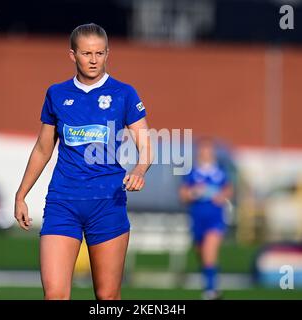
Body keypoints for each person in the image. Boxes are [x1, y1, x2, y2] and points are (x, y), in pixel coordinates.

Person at [14, 23, 153, 300]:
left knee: (107, 297)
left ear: (107, 53)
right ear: (72, 55)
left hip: (107, 203)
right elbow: (43, 149)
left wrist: (139, 169)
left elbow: (146, 145)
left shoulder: (124, 94)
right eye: (87, 53)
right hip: (62, 202)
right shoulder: (57, 94)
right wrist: (21, 194)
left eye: (100, 53)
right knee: (54, 295)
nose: (93, 60)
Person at [179, 137, 233, 300]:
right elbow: (183, 195)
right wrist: (195, 192)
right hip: (197, 219)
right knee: (202, 254)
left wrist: (220, 196)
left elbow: (228, 191)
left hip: (215, 219)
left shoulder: (220, 172)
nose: (205, 153)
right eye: (203, 150)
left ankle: (211, 290)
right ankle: (211, 282)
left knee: (210, 251)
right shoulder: (192, 173)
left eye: (208, 150)